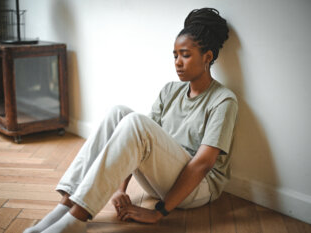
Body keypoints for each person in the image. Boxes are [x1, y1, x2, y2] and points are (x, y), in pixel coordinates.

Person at [24, 7, 238, 233]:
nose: (177, 62)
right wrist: (119, 189)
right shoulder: (170, 90)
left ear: (208, 57)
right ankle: (66, 206)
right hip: (162, 180)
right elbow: (136, 141)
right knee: (119, 113)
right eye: (175, 55)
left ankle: (77, 219)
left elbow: (203, 164)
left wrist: (159, 212)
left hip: (197, 189)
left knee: (137, 122)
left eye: (185, 55)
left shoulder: (223, 100)